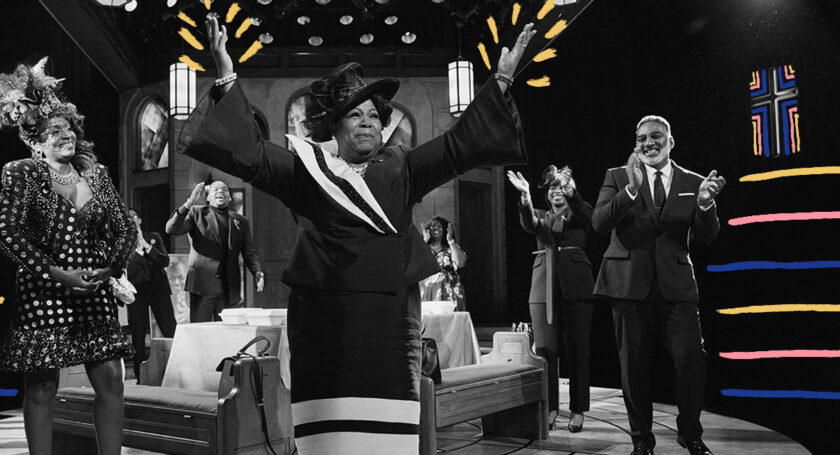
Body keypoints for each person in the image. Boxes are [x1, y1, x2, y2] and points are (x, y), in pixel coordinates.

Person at [175, 14, 535, 453]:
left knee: (388, 435)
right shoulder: (307, 170)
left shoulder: (404, 166)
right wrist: (226, 73)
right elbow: (251, 154)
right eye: (354, 114)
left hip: (390, 319)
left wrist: (502, 79)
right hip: (322, 319)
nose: (366, 122)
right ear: (335, 126)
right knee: (329, 437)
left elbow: (458, 146)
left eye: (373, 116)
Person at [0, 57, 135, 455]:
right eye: (54, 130)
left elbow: (125, 227)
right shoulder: (22, 173)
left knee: (112, 380)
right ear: (35, 142)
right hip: (44, 293)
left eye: (68, 126)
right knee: (41, 386)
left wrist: (110, 268)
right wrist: (56, 273)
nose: (66, 133)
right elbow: (5, 233)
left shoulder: (96, 174)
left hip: (94, 292)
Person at [592, 115, 725, 455]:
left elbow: (708, 235)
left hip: (676, 288)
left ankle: (690, 434)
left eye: (655, 136)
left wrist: (705, 204)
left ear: (670, 141)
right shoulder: (617, 176)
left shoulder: (694, 181)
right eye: (642, 138)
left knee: (691, 362)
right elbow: (599, 222)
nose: (648, 143)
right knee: (633, 368)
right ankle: (642, 441)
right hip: (627, 287)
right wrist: (630, 190)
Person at [507, 165, 595, 433]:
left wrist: (572, 193)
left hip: (576, 287)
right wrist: (525, 196)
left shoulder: (579, 212)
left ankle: (577, 409)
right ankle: (550, 407)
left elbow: (588, 217)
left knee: (578, 351)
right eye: (553, 187)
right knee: (546, 352)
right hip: (542, 288)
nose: (557, 191)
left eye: (562, 187)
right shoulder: (540, 216)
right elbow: (528, 223)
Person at [166, 180, 264, 322]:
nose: (220, 191)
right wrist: (188, 203)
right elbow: (171, 229)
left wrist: (257, 271)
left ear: (229, 197)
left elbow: (249, 252)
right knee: (201, 330)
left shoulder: (241, 221)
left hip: (229, 288)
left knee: (227, 330)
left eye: (224, 189)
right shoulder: (196, 213)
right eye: (215, 189)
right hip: (202, 285)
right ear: (208, 197)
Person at [126, 209, 176, 382]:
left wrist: (147, 247)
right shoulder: (121, 241)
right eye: (127, 216)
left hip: (158, 290)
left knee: (170, 329)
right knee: (138, 335)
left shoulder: (154, 236)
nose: (131, 219)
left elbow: (164, 261)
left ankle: (177, 370)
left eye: (133, 216)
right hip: (136, 292)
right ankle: (141, 376)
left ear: (139, 220)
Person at [419, 216, 467, 310]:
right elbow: (414, 261)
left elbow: (460, 263)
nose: (436, 228)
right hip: (428, 290)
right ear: (429, 229)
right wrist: (425, 240)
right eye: (433, 226)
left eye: (439, 226)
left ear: (445, 229)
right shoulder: (424, 247)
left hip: (448, 290)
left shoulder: (450, 247)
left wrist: (450, 241)